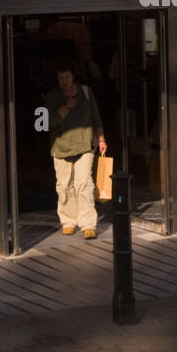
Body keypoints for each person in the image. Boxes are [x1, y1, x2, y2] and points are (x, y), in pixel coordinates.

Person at [44, 61, 106, 239]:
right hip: (61, 147)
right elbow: (44, 124)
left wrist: (101, 138)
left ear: (73, 76)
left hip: (84, 145)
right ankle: (68, 221)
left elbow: (96, 116)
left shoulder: (85, 92)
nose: (65, 81)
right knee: (64, 186)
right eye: (61, 78)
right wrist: (66, 108)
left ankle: (88, 224)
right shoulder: (51, 97)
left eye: (67, 77)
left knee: (84, 184)